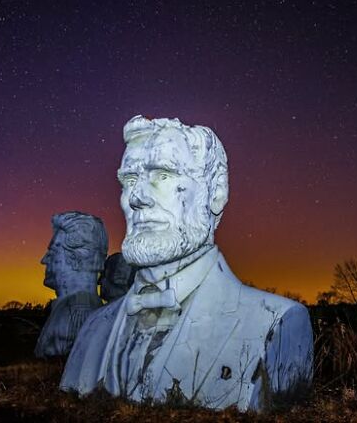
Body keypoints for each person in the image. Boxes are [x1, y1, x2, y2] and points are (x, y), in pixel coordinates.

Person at [60, 116, 312, 411]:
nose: (136, 198)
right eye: (129, 181)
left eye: (163, 175)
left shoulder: (277, 321)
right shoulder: (93, 327)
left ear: (216, 193)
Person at [35, 211, 107, 358]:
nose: (44, 260)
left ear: (76, 259)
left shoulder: (77, 311)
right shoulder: (72, 307)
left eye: (52, 252)